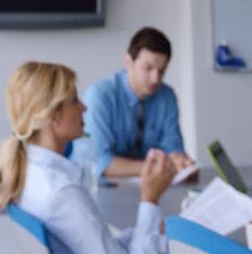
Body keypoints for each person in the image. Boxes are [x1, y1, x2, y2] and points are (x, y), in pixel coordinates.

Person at [0, 62, 177, 254]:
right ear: (54, 115)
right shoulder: (62, 192)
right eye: (74, 100)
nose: (84, 107)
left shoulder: (30, 174)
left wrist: (144, 231)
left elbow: (93, 244)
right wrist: (150, 198)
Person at [80, 27, 195, 178]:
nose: (156, 78)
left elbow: (173, 149)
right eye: (148, 68)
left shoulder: (167, 96)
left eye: (162, 71)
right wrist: (158, 168)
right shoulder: (100, 96)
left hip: (149, 187)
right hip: (98, 188)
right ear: (128, 62)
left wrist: (181, 162)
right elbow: (101, 162)